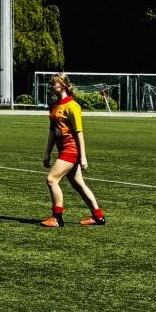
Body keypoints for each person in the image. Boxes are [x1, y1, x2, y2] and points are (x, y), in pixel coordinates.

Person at [40, 74, 107, 228]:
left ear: (63, 85)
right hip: (63, 149)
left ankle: (57, 218)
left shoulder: (72, 106)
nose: (50, 86)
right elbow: (52, 131)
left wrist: (83, 157)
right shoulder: (54, 105)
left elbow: (79, 132)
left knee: (51, 179)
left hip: (71, 150)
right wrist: (48, 152)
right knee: (78, 183)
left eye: (53, 83)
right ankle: (98, 217)